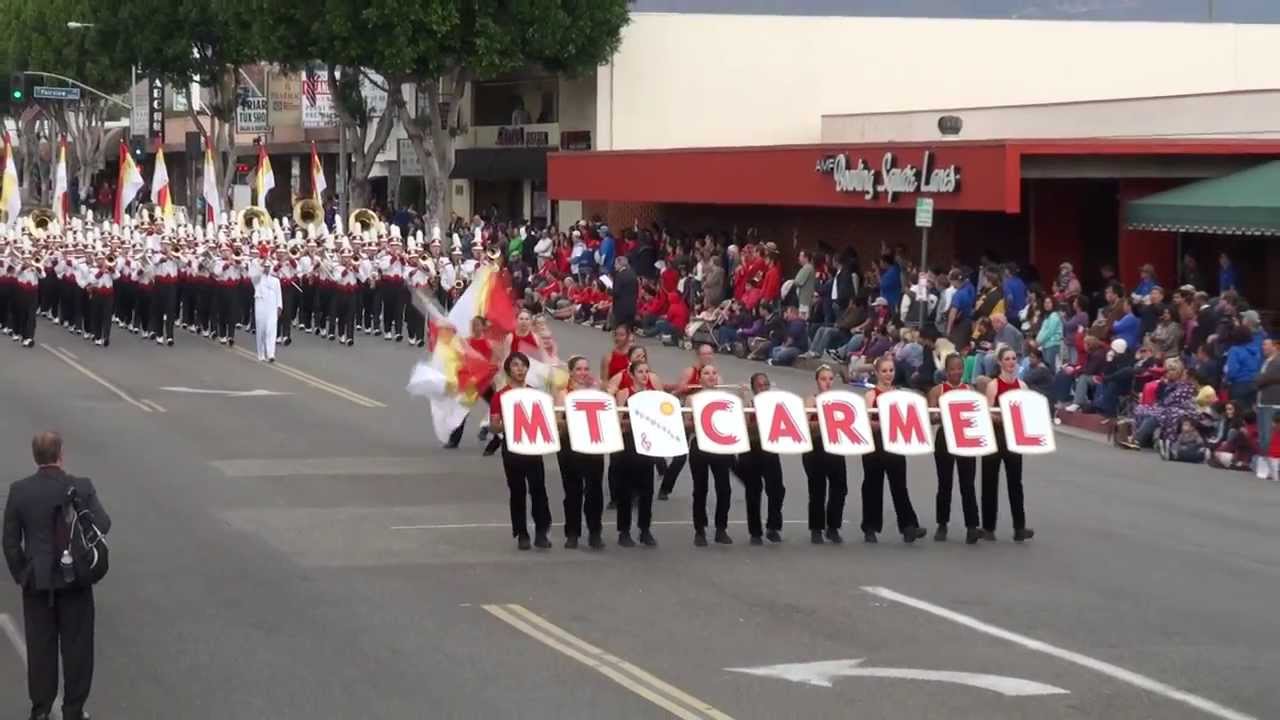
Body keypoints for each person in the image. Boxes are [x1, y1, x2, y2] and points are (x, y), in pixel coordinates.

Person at [4, 432, 111, 720]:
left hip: (37, 584)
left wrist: (22, 574)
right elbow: (103, 524)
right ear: (60, 455)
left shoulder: (19, 491)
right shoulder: (81, 487)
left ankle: (40, 710)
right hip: (75, 581)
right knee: (78, 650)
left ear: (35, 457)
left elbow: (10, 542)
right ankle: (73, 710)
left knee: (41, 651)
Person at [490, 352, 552, 550]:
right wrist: (508, 423)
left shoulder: (535, 394)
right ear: (509, 369)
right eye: (516, 365)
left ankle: (542, 531)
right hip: (512, 448)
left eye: (523, 365)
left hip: (533, 447)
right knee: (517, 491)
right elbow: (494, 426)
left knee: (538, 490)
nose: (520, 369)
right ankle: (522, 533)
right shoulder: (501, 395)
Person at [862, 358, 928, 543]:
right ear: (877, 372)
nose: (888, 374)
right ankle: (870, 527)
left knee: (899, 486)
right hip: (875, 444)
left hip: (895, 444)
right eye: (884, 371)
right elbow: (867, 422)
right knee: (872, 486)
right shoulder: (871, 395)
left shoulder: (899, 394)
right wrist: (887, 422)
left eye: (891, 370)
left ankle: (908, 526)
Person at [982, 348, 1035, 542]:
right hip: (995, 437)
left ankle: (1019, 527)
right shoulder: (994, 385)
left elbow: (1026, 412)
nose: (1011, 362)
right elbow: (988, 413)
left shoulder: (1022, 385)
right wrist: (1007, 418)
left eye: (1014, 358)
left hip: (1013, 438)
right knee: (989, 482)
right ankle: (988, 527)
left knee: (1015, 483)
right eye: (1007, 359)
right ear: (1000, 362)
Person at [928, 355, 981, 544]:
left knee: (968, 484)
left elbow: (977, 415)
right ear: (946, 371)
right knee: (945, 483)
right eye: (953, 369)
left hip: (965, 438)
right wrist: (944, 413)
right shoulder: (937, 390)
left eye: (959, 368)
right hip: (945, 438)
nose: (956, 372)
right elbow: (931, 417)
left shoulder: (970, 390)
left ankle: (972, 526)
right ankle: (942, 524)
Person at [555, 356, 606, 549]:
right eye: (579, 369)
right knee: (572, 491)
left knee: (594, 491)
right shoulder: (563, 394)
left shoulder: (595, 393)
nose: (583, 373)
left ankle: (595, 532)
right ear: (571, 372)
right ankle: (572, 533)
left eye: (586, 369)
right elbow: (557, 421)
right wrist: (574, 421)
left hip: (593, 446)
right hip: (570, 446)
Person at [734, 372, 786, 543]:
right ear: (753, 388)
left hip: (769, 449)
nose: (763, 388)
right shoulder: (748, 404)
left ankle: (773, 526)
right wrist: (745, 401)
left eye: (766, 385)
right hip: (750, 450)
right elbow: (744, 427)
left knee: (777, 489)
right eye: (759, 385)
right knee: (754, 490)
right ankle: (755, 532)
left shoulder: (774, 405)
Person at [686, 364, 735, 546]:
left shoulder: (726, 399)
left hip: (720, 446)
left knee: (724, 489)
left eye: (714, 373)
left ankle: (721, 528)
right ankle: (700, 530)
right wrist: (701, 420)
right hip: (700, 445)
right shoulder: (692, 399)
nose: (711, 376)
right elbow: (687, 425)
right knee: (700, 489)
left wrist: (744, 396)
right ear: (700, 378)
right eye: (707, 373)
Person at [614, 360, 659, 547]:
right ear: (631, 374)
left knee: (647, 490)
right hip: (627, 445)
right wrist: (637, 423)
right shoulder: (624, 393)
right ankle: (623, 531)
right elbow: (617, 421)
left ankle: (645, 528)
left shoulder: (653, 395)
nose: (644, 375)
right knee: (625, 491)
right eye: (640, 371)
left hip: (646, 446)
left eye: (646, 371)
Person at [802, 365, 848, 543]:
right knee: (817, 489)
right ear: (817, 381)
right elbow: (805, 426)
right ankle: (816, 528)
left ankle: (833, 526)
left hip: (835, 446)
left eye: (830, 379)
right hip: (815, 447)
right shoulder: (811, 401)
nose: (827, 382)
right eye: (823, 379)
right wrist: (826, 421)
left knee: (840, 487)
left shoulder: (839, 401)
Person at [250, 258, 283, 362]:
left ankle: (271, 354)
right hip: (260, 305)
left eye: (268, 267)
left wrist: (279, 307)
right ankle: (261, 353)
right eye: (265, 267)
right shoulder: (257, 279)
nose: (267, 269)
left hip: (272, 306)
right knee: (261, 330)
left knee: (271, 329)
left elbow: (279, 294)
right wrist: (261, 264)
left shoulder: (276, 280)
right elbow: (252, 274)